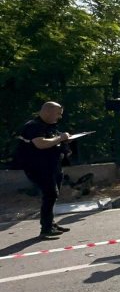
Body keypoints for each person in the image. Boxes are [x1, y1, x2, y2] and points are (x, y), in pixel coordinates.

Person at [17, 102, 73, 239]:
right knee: (50, 194)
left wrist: (64, 141)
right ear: (48, 112)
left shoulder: (50, 126)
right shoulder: (33, 126)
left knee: (53, 194)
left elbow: (54, 140)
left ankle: (51, 224)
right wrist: (61, 138)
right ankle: (46, 229)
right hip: (38, 167)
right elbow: (40, 143)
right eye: (58, 113)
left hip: (53, 165)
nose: (59, 117)